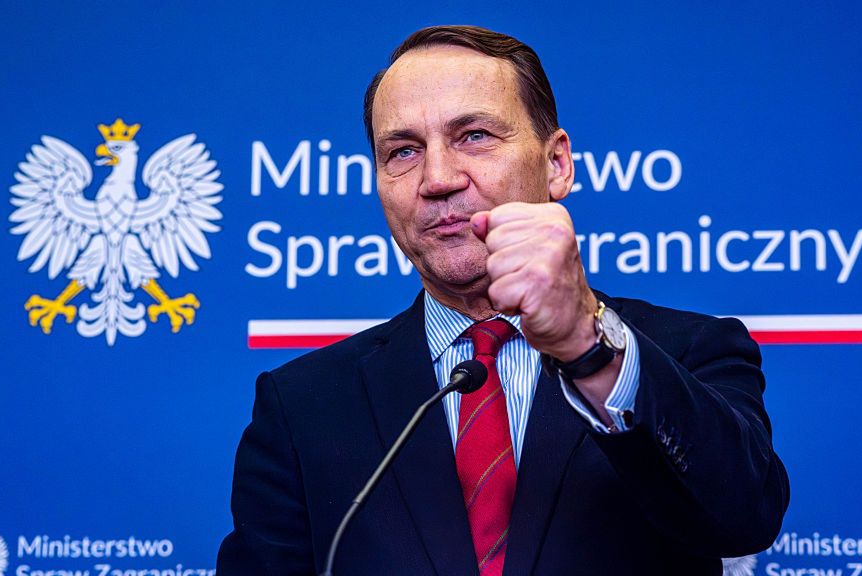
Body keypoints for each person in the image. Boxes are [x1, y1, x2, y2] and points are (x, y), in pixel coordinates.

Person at [218, 25, 789, 576]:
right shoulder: (301, 405)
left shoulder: (689, 350)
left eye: (474, 136)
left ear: (556, 164)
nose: (437, 178)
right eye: (404, 151)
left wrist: (589, 348)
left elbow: (744, 517)